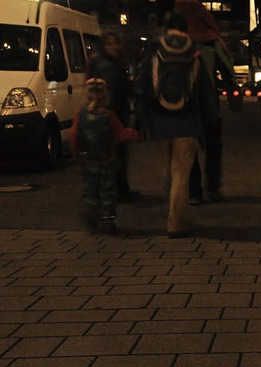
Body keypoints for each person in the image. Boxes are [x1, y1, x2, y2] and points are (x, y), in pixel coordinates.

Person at [134, 11, 217, 238]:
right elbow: (205, 89)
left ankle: (178, 214)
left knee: (168, 172)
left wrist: (139, 119)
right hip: (187, 122)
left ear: (165, 27)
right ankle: (176, 223)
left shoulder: (154, 48)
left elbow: (142, 84)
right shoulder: (193, 50)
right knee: (181, 174)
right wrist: (210, 122)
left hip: (159, 122)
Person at [174, 0, 236, 205]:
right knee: (213, 148)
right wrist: (234, 97)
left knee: (187, 148)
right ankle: (213, 188)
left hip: (183, 107)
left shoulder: (173, 42)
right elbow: (228, 71)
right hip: (208, 106)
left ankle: (193, 193)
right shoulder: (212, 43)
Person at [70, 78, 140, 234]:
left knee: (90, 188)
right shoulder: (109, 114)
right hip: (107, 160)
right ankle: (107, 221)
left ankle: (90, 210)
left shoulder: (79, 113)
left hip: (88, 161)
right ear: (105, 94)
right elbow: (120, 134)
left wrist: (76, 153)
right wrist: (134, 134)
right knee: (107, 191)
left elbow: (74, 135)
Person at [87, 31, 138, 202]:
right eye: (110, 44)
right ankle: (119, 190)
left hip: (110, 113)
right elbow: (112, 92)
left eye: (116, 42)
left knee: (110, 153)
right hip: (113, 114)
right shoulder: (109, 65)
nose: (115, 46)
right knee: (116, 153)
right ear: (104, 46)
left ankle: (115, 189)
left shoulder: (102, 62)